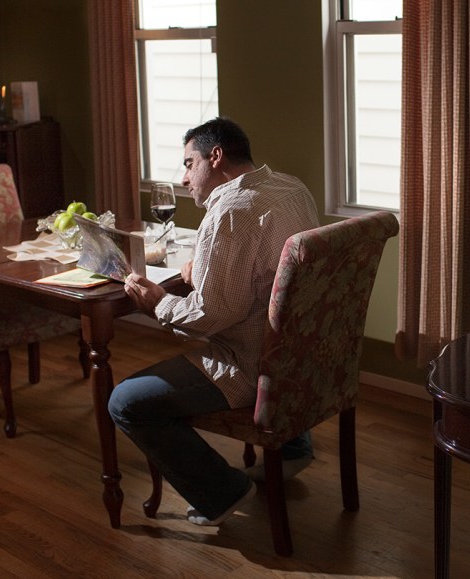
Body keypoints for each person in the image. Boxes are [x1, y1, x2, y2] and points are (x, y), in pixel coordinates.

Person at [109, 117, 319, 526]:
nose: (185, 178)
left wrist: (158, 304)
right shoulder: (291, 188)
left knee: (126, 402)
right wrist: (204, 272)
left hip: (252, 366)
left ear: (216, 156)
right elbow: (263, 272)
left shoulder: (231, 211)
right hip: (304, 354)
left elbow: (212, 316)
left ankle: (223, 492)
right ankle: (293, 449)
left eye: (190, 164)